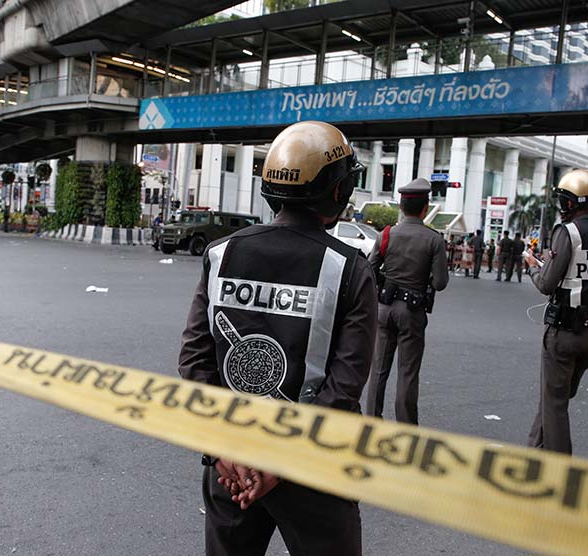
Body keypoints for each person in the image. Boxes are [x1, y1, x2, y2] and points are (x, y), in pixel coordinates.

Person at [178, 121, 376, 556]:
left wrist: (221, 449)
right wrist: (281, 462)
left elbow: (194, 361)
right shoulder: (349, 269)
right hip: (314, 468)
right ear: (338, 191)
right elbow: (344, 385)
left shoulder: (221, 253)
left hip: (231, 464)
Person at [524, 169, 588, 454]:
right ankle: (532, 453)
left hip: (564, 335)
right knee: (554, 398)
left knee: (555, 404)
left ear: (572, 202)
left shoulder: (568, 232)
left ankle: (560, 470)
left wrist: (533, 266)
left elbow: (547, 284)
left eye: (564, 200)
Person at [365, 178, 449, 425]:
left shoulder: (387, 234)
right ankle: (406, 427)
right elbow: (440, 283)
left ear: (401, 206)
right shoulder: (433, 240)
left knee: (378, 370)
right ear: (426, 208)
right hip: (412, 312)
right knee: (407, 373)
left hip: (384, 308)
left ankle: (371, 422)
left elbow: (370, 269)